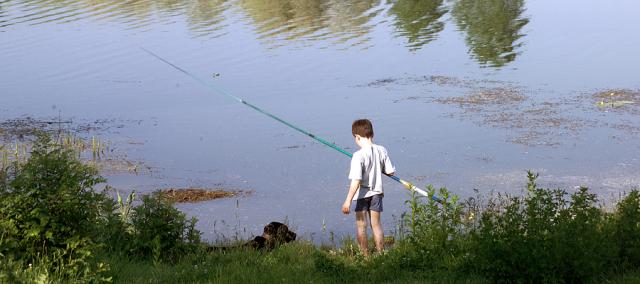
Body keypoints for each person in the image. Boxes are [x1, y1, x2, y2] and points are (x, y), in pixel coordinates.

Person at [341, 119, 395, 256]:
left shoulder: (357, 156)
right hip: (377, 193)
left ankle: (365, 257)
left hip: (361, 195)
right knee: (376, 225)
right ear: (372, 134)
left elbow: (356, 180)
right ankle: (381, 254)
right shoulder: (382, 150)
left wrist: (347, 200)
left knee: (361, 226)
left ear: (357, 137)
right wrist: (378, 167)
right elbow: (390, 171)